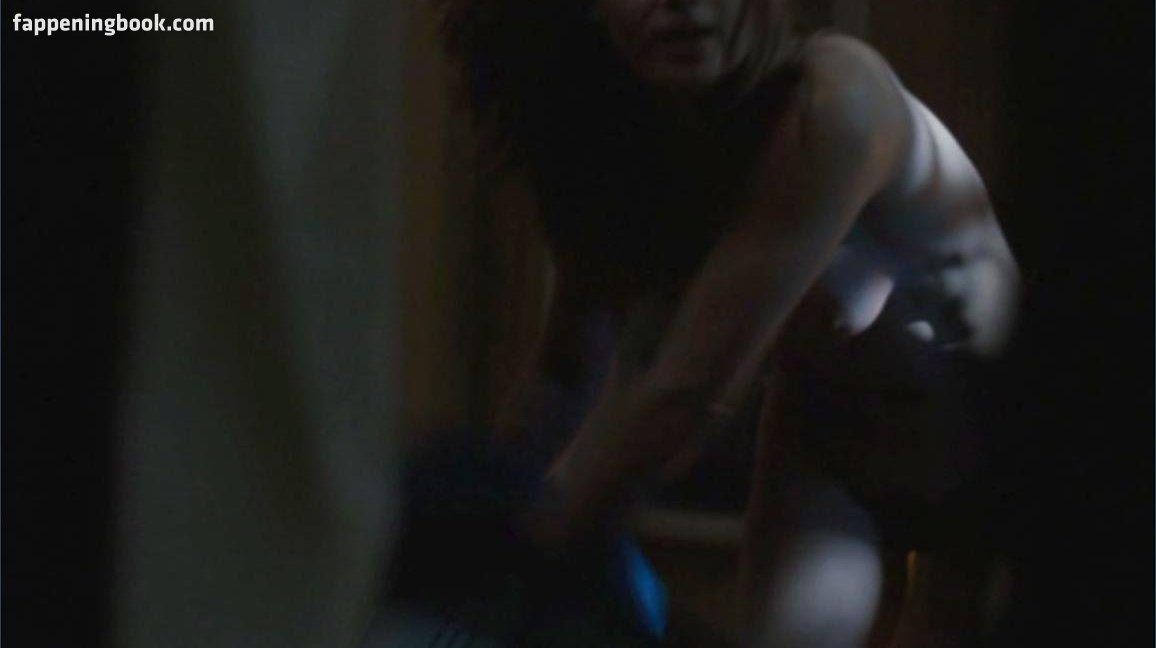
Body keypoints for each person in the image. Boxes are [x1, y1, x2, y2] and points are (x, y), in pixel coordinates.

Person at [442, 0, 1020, 645]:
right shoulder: (639, 138)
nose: (686, 7)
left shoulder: (838, 97)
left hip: (1001, 447)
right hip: (828, 444)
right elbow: (573, 367)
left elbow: (685, 393)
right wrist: (486, 514)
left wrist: (517, 544)